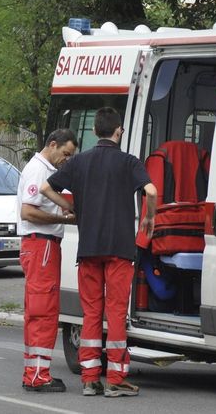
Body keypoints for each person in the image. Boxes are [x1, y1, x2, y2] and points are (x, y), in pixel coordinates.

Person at [40, 107, 157, 398]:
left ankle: (90, 379)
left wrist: (70, 208)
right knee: (115, 313)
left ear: (94, 131)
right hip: (119, 249)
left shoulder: (79, 162)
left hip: (89, 248)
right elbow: (151, 192)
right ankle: (116, 379)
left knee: (91, 313)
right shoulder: (129, 162)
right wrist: (149, 217)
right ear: (119, 131)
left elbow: (45, 188)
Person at [17, 129, 78, 392]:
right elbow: (29, 211)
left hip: (37, 245)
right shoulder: (39, 171)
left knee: (36, 309)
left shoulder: (41, 169)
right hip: (42, 243)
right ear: (52, 145)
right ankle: (38, 374)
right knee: (45, 310)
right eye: (65, 153)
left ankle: (33, 369)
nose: (66, 160)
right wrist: (63, 219)